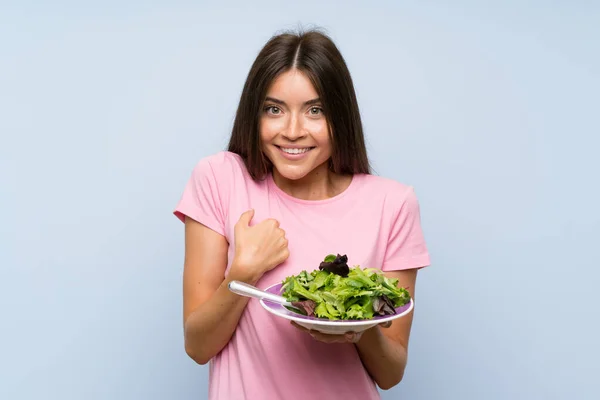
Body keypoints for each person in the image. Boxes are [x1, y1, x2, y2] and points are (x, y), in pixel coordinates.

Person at [173, 28, 431, 400]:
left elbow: (391, 372)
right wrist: (244, 272)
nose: (293, 131)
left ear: (340, 116)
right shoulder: (220, 179)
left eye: (315, 110)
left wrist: (359, 324)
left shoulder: (393, 204)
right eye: (274, 109)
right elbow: (198, 346)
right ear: (254, 114)